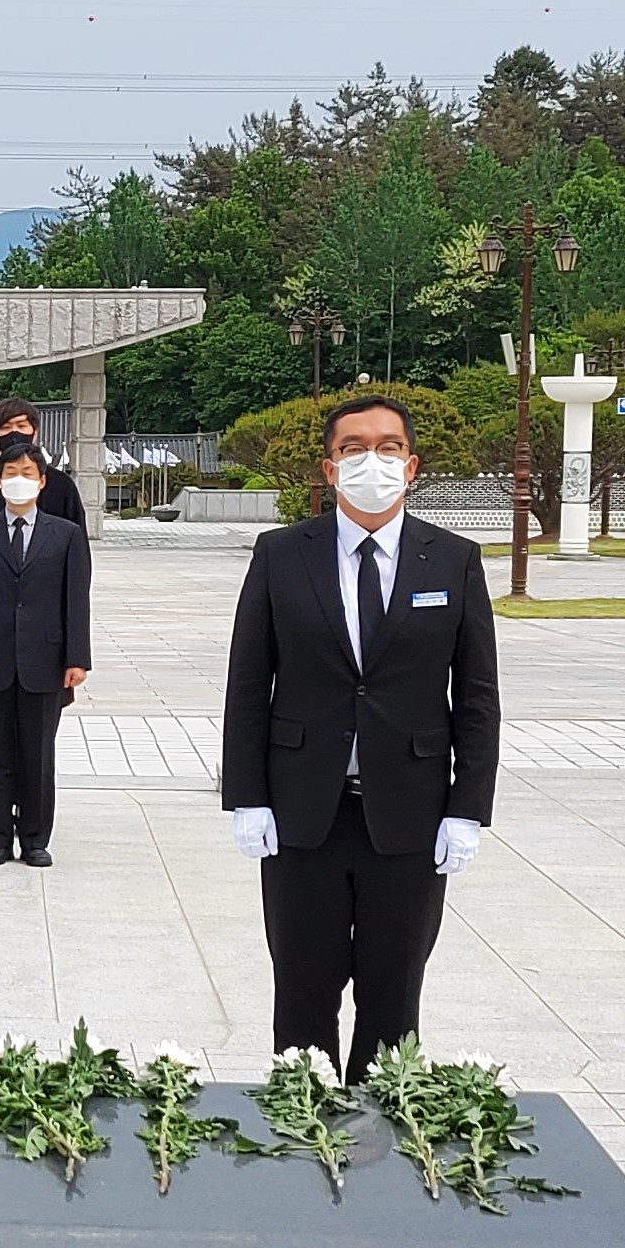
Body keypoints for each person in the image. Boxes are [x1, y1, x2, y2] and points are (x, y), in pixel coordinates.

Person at [220, 393, 499, 1082]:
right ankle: (302, 1137)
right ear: (328, 465)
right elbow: (249, 683)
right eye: (353, 448)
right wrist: (246, 796)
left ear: (411, 466)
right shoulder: (282, 554)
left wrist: (467, 808)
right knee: (301, 998)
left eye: (387, 447)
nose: (370, 460)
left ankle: (377, 1153)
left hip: (407, 816)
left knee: (392, 998)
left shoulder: (453, 560)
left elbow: (477, 697)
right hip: (302, 814)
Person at [0, 446, 90, 868]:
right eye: (11, 472)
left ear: (42, 481)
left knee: (38, 756)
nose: (19, 479)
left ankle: (34, 839)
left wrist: (76, 659)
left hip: (44, 662)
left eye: (27, 472)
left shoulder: (65, 535)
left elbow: (76, 601)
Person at [0, 397, 86, 587]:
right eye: (5, 427)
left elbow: (79, 556)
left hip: (47, 598)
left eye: (22, 425)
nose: (14, 433)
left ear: (34, 433)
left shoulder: (62, 487)